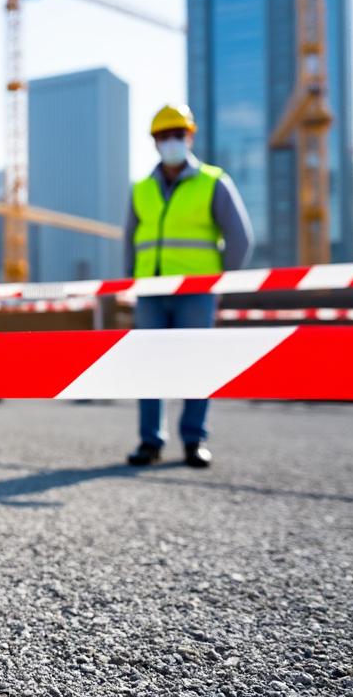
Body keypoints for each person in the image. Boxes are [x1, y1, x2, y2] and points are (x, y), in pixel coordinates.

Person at [124, 104, 253, 468]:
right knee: (149, 368)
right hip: (150, 291)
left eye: (177, 135)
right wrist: (132, 285)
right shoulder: (141, 189)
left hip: (196, 292)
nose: (171, 142)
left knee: (196, 365)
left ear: (190, 137)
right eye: (164, 136)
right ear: (154, 142)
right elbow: (130, 242)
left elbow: (240, 238)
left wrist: (218, 281)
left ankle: (194, 440)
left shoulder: (214, 182)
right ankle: (150, 441)